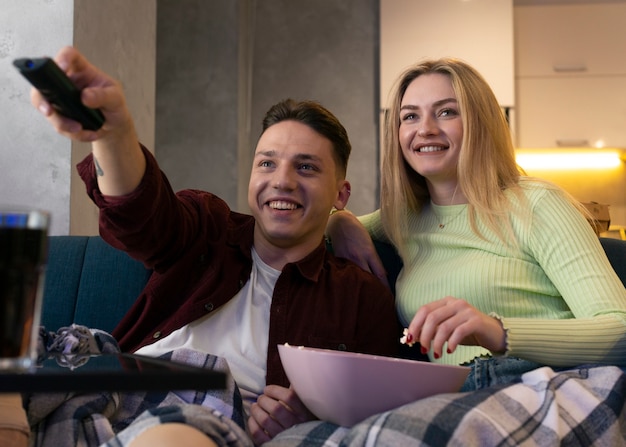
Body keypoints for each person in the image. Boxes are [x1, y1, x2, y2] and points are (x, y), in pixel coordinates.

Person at [0, 46, 399, 447]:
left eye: (306, 167)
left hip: (204, 418)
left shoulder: (360, 298)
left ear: (341, 194)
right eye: (267, 163)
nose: (282, 181)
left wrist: (310, 420)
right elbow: (141, 214)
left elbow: (377, 417)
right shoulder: (208, 227)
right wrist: (111, 133)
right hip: (104, 382)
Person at [263, 57, 626, 446]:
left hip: (540, 384)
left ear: (481, 122)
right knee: (295, 439)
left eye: (447, 112)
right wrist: (341, 221)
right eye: (410, 116)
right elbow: (324, 222)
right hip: (450, 399)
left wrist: (496, 330)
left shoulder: (535, 204)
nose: (425, 130)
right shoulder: (404, 219)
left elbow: (619, 327)